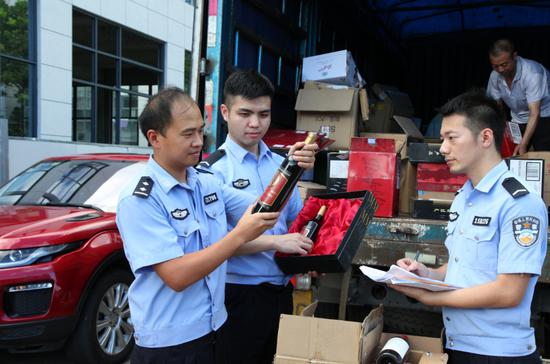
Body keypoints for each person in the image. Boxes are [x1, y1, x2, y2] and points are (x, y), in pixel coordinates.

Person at [116, 87, 280, 364]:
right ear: (154, 138)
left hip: (216, 329)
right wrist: (239, 235)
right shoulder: (140, 199)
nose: (198, 142)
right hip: (170, 345)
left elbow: (264, 205)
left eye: (200, 131)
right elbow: (176, 275)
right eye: (187, 134)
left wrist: (294, 167)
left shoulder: (204, 182)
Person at [392, 90, 547, 363]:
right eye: (442, 139)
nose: (442, 148)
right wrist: (426, 273)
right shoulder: (464, 197)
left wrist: (431, 298)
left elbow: (508, 292)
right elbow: (463, 268)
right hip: (458, 346)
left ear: (485, 137)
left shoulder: (520, 203)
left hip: (499, 355)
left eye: (452, 138)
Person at [200, 69, 318, 364]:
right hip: (237, 295)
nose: (255, 123)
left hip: (280, 293)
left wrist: (314, 253)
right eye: (245, 113)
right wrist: (278, 242)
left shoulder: (285, 165)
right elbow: (214, 247)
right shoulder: (212, 173)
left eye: (263, 114)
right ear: (225, 112)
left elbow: (295, 224)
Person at [487, 38, 550, 154]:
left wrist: (524, 143)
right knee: (513, 153)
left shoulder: (533, 74)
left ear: (515, 56)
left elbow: (535, 112)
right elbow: (496, 106)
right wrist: (502, 127)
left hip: (544, 116)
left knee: (543, 155)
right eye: (495, 66)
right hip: (518, 118)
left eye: (504, 64)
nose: (500, 69)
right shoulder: (495, 75)